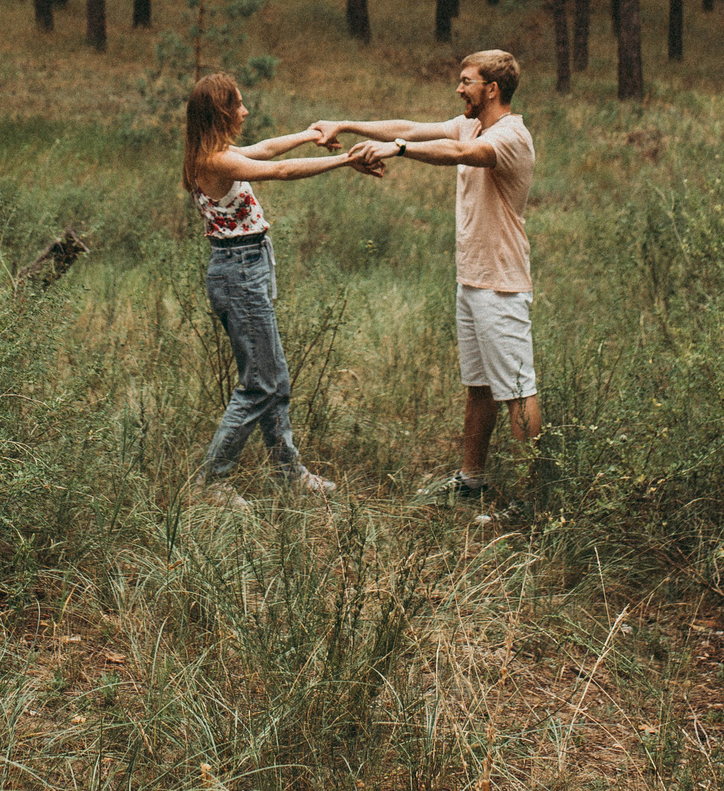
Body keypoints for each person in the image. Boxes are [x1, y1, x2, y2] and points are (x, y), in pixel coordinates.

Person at [317, 50, 537, 508]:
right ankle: (471, 480)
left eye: (466, 82)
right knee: (479, 387)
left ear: (492, 89)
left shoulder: (510, 136)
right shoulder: (470, 125)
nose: (459, 89)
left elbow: (458, 154)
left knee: (517, 391)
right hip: (472, 279)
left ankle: (532, 501)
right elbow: (412, 128)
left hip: (501, 283)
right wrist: (348, 125)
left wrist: (398, 150)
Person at [182, 72, 381, 500]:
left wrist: (310, 134)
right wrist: (345, 161)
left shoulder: (219, 153)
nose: (245, 111)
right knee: (260, 384)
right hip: (238, 273)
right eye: (237, 105)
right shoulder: (215, 161)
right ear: (220, 112)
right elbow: (281, 169)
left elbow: (270, 149)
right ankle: (211, 482)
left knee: (274, 379)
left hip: (246, 268)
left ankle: (288, 473)